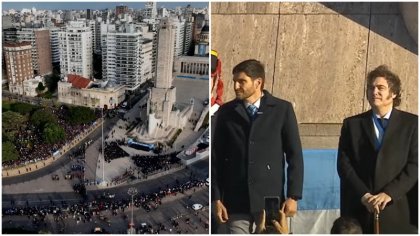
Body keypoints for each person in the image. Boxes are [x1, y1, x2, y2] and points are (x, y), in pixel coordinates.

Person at [212, 59, 304, 234]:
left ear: (258, 82)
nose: (236, 86)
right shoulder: (226, 112)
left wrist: (293, 196)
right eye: (234, 82)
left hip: (270, 199)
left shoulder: (282, 110)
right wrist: (215, 198)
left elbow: (295, 155)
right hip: (236, 198)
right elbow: (216, 159)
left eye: (242, 81)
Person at [337, 65, 418, 233]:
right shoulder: (352, 125)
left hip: (398, 210)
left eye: (380, 88)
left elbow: (414, 165)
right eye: (371, 87)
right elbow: (344, 165)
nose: (374, 92)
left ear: (393, 93)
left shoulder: (412, 124)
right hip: (360, 211)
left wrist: (389, 193)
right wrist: (364, 195)